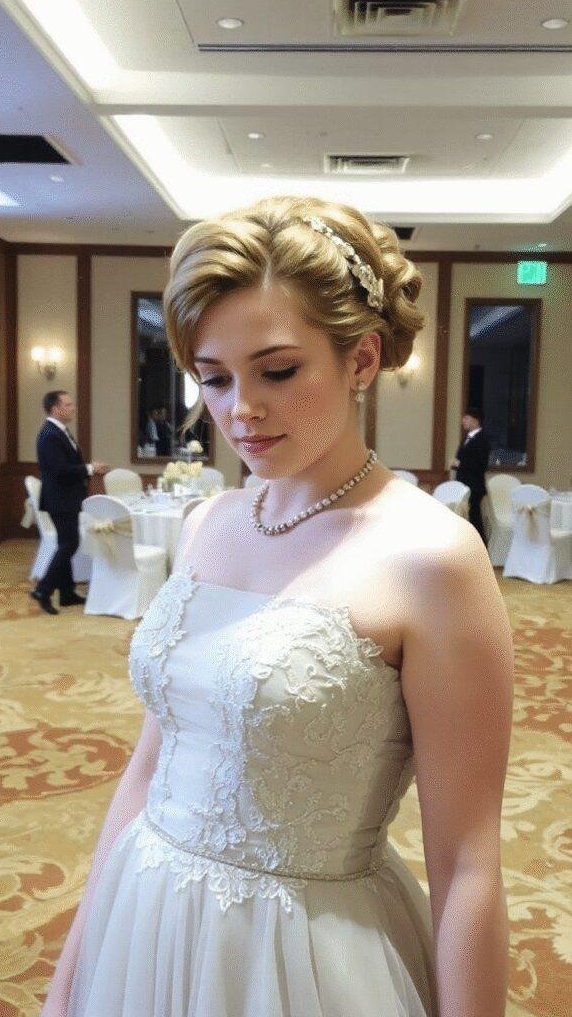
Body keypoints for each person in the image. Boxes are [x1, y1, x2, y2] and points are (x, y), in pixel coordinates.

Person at [42, 198, 513, 1017]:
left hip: (303, 953)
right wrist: (75, 965)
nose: (240, 412)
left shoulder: (429, 556)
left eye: (278, 370)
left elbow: (467, 858)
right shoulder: (208, 520)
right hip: (144, 911)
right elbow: (150, 767)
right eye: (214, 379)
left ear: (361, 359)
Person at [31, 391, 109, 615]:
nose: (73, 407)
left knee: (66, 542)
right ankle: (43, 589)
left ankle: (66, 593)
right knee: (70, 544)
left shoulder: (59, 432)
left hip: (66, 498)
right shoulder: (50, 435)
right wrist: (89, 468)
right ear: (55, 408)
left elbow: (66, 465)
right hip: (60, 499)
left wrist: (87, 467)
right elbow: (59, 471)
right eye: (68, 404)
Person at [450, 407, 491, 545]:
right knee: (465, 517)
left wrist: (460, 463)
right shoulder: (466, 438)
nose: (463, 421)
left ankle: (481, 546)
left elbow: (480, 464)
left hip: (474, 485)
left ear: (475, 420)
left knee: (474, 517)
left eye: (466, 418)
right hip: (463, 484)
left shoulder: (482, 439)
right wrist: (455, 464)